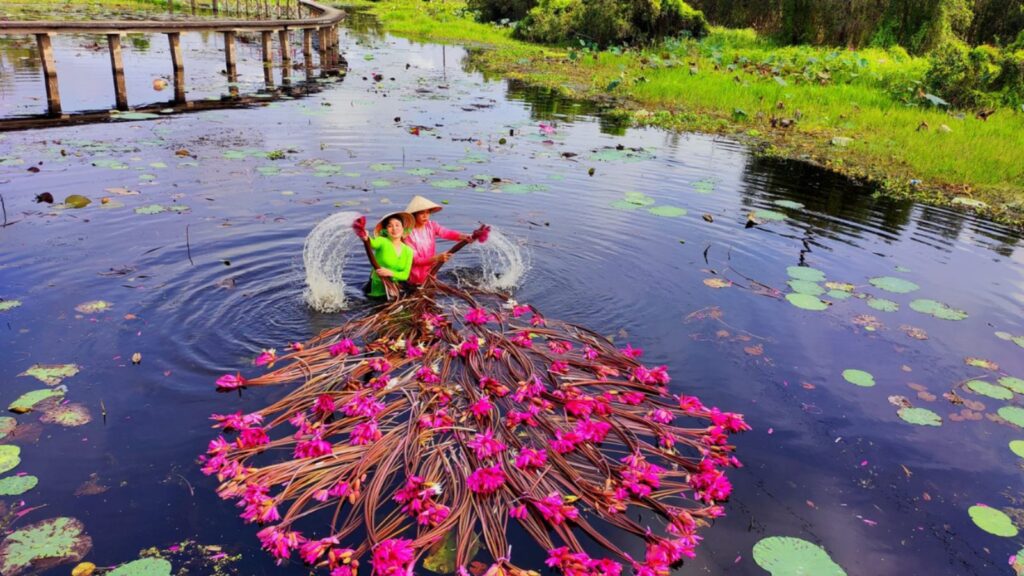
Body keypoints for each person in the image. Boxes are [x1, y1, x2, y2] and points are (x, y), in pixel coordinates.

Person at [403, 195, 471, 286]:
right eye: (421, 213)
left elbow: (446, 233)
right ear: (413, 215)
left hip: (431, 273)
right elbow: (415, 260)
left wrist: (464, 236)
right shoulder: (407, 234)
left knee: (431, 290)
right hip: (414, 277)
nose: (425, 216)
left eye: (427, 212)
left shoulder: (431, 226)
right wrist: (436, 258)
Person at [353, 211, 415, 298]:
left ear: (403, 228)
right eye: (390, 226)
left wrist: (390, 273)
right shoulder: (382, 241)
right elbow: (371, 243)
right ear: (386, 230)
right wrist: (365, 237)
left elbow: (405, 275)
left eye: (397, 225)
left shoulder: (409, 251)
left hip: (395, 289)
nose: (394, 228)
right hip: (376, 289)